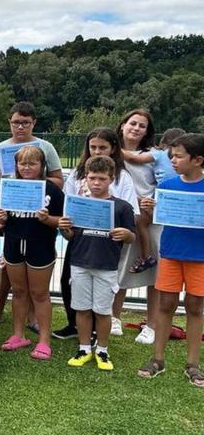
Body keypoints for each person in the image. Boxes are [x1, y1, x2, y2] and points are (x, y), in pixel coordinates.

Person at [54, 127, 139, 340]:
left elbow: (129, 210)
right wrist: (66, 224)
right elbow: (69, 202)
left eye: (103, 147)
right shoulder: (78, 173)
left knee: (101, 285)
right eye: (93, 147)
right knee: (69, 280)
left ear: (113, 149)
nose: (97, 151)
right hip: (80, 238)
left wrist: (121, 230)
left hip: (106, 242)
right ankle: (74, 324)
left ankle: (96, 330)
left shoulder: (122, 176)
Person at [138, 133, 204, 388]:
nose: (173, 161)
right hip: (171, 253)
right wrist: (150, 208)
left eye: (178, 156)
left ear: (197, 160)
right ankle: (157, 359)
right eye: (171, 156)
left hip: (199, 256)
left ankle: (193, 364)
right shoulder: (167, 187)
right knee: (165, 304)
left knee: (195, 307)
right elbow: (157, 218)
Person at [59, 156, 136, 371]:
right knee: (81, 309)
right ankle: (84, 348)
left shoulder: (122, 207)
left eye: (102, 179)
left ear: (111, 179)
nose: (96, 183)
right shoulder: (76, 204)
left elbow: (133, 237)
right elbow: (69, 235)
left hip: (107, 265)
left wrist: (126, 233)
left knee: (103, 311)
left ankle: (102, 350)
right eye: (92, 178)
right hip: (80, 263)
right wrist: (64, 229)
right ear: (85, 178)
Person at [0, 146, 63, 360]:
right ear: (16, 166)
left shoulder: (51, 190)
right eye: (22, 163)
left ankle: (44, 340)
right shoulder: (9, 187)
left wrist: (47, 219)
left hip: (40, 245)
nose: (26, 167)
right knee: (19, 291)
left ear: (42, 166)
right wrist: (1, 219)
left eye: (32, 163)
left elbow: (63, 221)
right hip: (14, 244)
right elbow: (2, 224)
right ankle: (18, 334)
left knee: (40, 294)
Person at [114, 109, 162, 344]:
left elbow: (166, 185)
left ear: (147, 131)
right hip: (122, 221)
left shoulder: (155, 155)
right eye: (132, 123)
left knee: (154, 273)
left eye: (142, 126)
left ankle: (151, 325)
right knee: (119, 268)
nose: (136, 128)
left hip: (149, 220)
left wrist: (155, 203)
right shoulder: (109, 152)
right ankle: (113, 317)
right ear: (123, 125)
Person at [123, 127, 185, 274]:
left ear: (163, 143)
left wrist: (114, 147)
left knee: (141, 221)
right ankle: (148, 256)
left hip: (162, 195)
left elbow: (133, 158)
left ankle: (146, 256)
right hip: (176, 195)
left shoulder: (159, 154)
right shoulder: (180, 157)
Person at [0, 101, 64, 188]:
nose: (20, 127)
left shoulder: (46, 147)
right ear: (9, 122)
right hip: (7, 199)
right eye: (16, 122)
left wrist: (37, 180)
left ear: (33, 123)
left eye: (25, 123)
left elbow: (59, 182)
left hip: (38, 198)